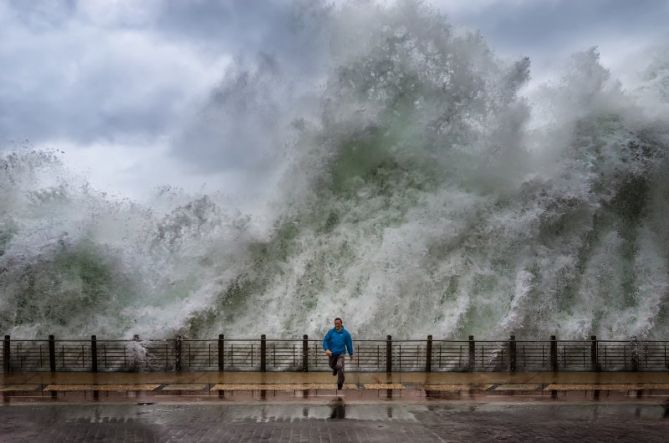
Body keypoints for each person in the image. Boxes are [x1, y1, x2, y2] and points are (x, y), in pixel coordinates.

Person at [322, 317, 354, 390]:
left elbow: (349, 344)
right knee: (331, 365)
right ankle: (335, 369)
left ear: (341, 323)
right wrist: (326, 349)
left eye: (338, 323)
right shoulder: (331, 332)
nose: (337, 325)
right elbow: (325, 341)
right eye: (335, 323)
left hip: (341, 354)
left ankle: (340, 383)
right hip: (332, 353)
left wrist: (351, 353)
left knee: (340, 366)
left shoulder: (346, 333)